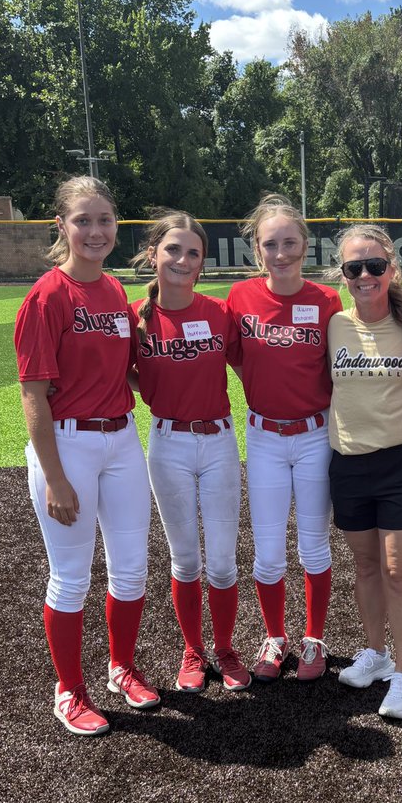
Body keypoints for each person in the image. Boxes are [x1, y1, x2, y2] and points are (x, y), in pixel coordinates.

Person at [14, 175, 157, 737]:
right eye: (83, 221)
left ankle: (122, 668)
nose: (95, 231)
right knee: (71, 578)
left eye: (104, 220)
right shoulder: (48, 295)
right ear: (62, 226)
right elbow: (33, 394)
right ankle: (70, 691)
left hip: (122, 439)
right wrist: (54, 477)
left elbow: (123, 372)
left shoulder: (116, 290)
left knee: (132, 569)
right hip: (67, 444)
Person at [131, 212, 251, 694]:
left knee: (222, 561)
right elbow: (120, 372)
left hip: (219, 440)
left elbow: (251, 367)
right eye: (173, 249)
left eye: (193, 252)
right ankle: (193, 650)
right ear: (153, 254)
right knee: (184, 561)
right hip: (168, 443)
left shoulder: (219, 312)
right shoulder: (135, 317)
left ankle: (225, 648)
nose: (182, 259)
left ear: (203, 262)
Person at [226, 195, 342, 681]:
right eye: (270, 244)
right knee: (269, 552)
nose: (280, 253)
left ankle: (314, 638)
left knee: (314, 546)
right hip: (265, 436)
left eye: (289, 242)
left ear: (305, 244)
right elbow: (234, 356)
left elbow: (339, 367)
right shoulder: (240, 297)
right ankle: (275, 637)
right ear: (257, 248)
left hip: (315, 435)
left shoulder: (327, 300)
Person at [328, 225, 402, 720]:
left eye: (374, 266)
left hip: (400, 464)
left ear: (391, 268)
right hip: (348, 464)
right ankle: (376, 652)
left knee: (397, 571)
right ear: (343, 273)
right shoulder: (334, 325)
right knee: (366, 567)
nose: (365, 275)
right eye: (354, 267)